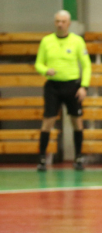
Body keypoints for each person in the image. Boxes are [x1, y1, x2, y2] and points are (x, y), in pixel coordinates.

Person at [34, 10, 92, 172]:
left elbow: (86, 65)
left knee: (76, 120)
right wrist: (45, 70)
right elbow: (38, 64)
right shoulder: (46, 41)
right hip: (53, 86)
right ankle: (42, 158)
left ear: (69, 23)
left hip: (72, 86)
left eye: (63, 21)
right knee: (48, 120)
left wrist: (84, 86)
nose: (60, 24)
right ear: (54, 22)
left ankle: (78, 157)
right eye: (57, 21)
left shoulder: (77, 41)